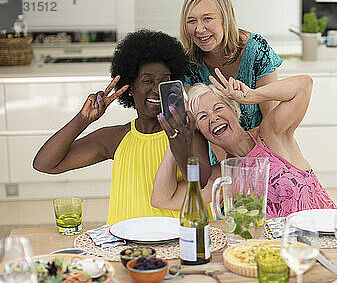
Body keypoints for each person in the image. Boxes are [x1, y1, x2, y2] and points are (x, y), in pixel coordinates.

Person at [33, 29, 208, 224]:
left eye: (164, 82)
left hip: (174, 243)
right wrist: (84, 119)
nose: (156, 90)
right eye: (147, 81)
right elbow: (45, 164)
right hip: (124, 248)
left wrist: (180, 142)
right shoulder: (115, 137)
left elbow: (200, 182)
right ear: (130, 87)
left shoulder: (188, 132)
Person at [151, 69, 336, 218]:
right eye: (202, 117)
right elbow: (163, 199)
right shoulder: (224, 175)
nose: (213, 118)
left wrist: (251, 96)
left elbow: (304, 85)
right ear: (201, 132)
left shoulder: (270, 134)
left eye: (218, 108)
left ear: (234, 108)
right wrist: (176, 136)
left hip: (327, 237)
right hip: (274, 256)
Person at [180, 0, 282, 163]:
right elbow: (207, 132)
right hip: (222, 163)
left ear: (225, 18)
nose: (199, 29)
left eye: (207, 18)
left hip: (265, 157)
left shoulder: (255, 50)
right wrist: (229, 171)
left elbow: (272, 121)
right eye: (192, 21)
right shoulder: (189, 64)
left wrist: (259, 166)